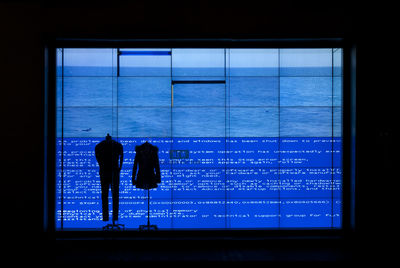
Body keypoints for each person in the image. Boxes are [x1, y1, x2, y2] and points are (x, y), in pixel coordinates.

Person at [95, 133, 123, 223]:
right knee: (114, 195)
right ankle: (114, 217)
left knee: (105, 195)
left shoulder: (99, 146)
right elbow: (122, 157)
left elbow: (97, 158)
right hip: (114, 171)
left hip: (105, 171)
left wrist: (101, 165)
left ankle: (106, 217)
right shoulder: (118, 145)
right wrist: (119, 168)